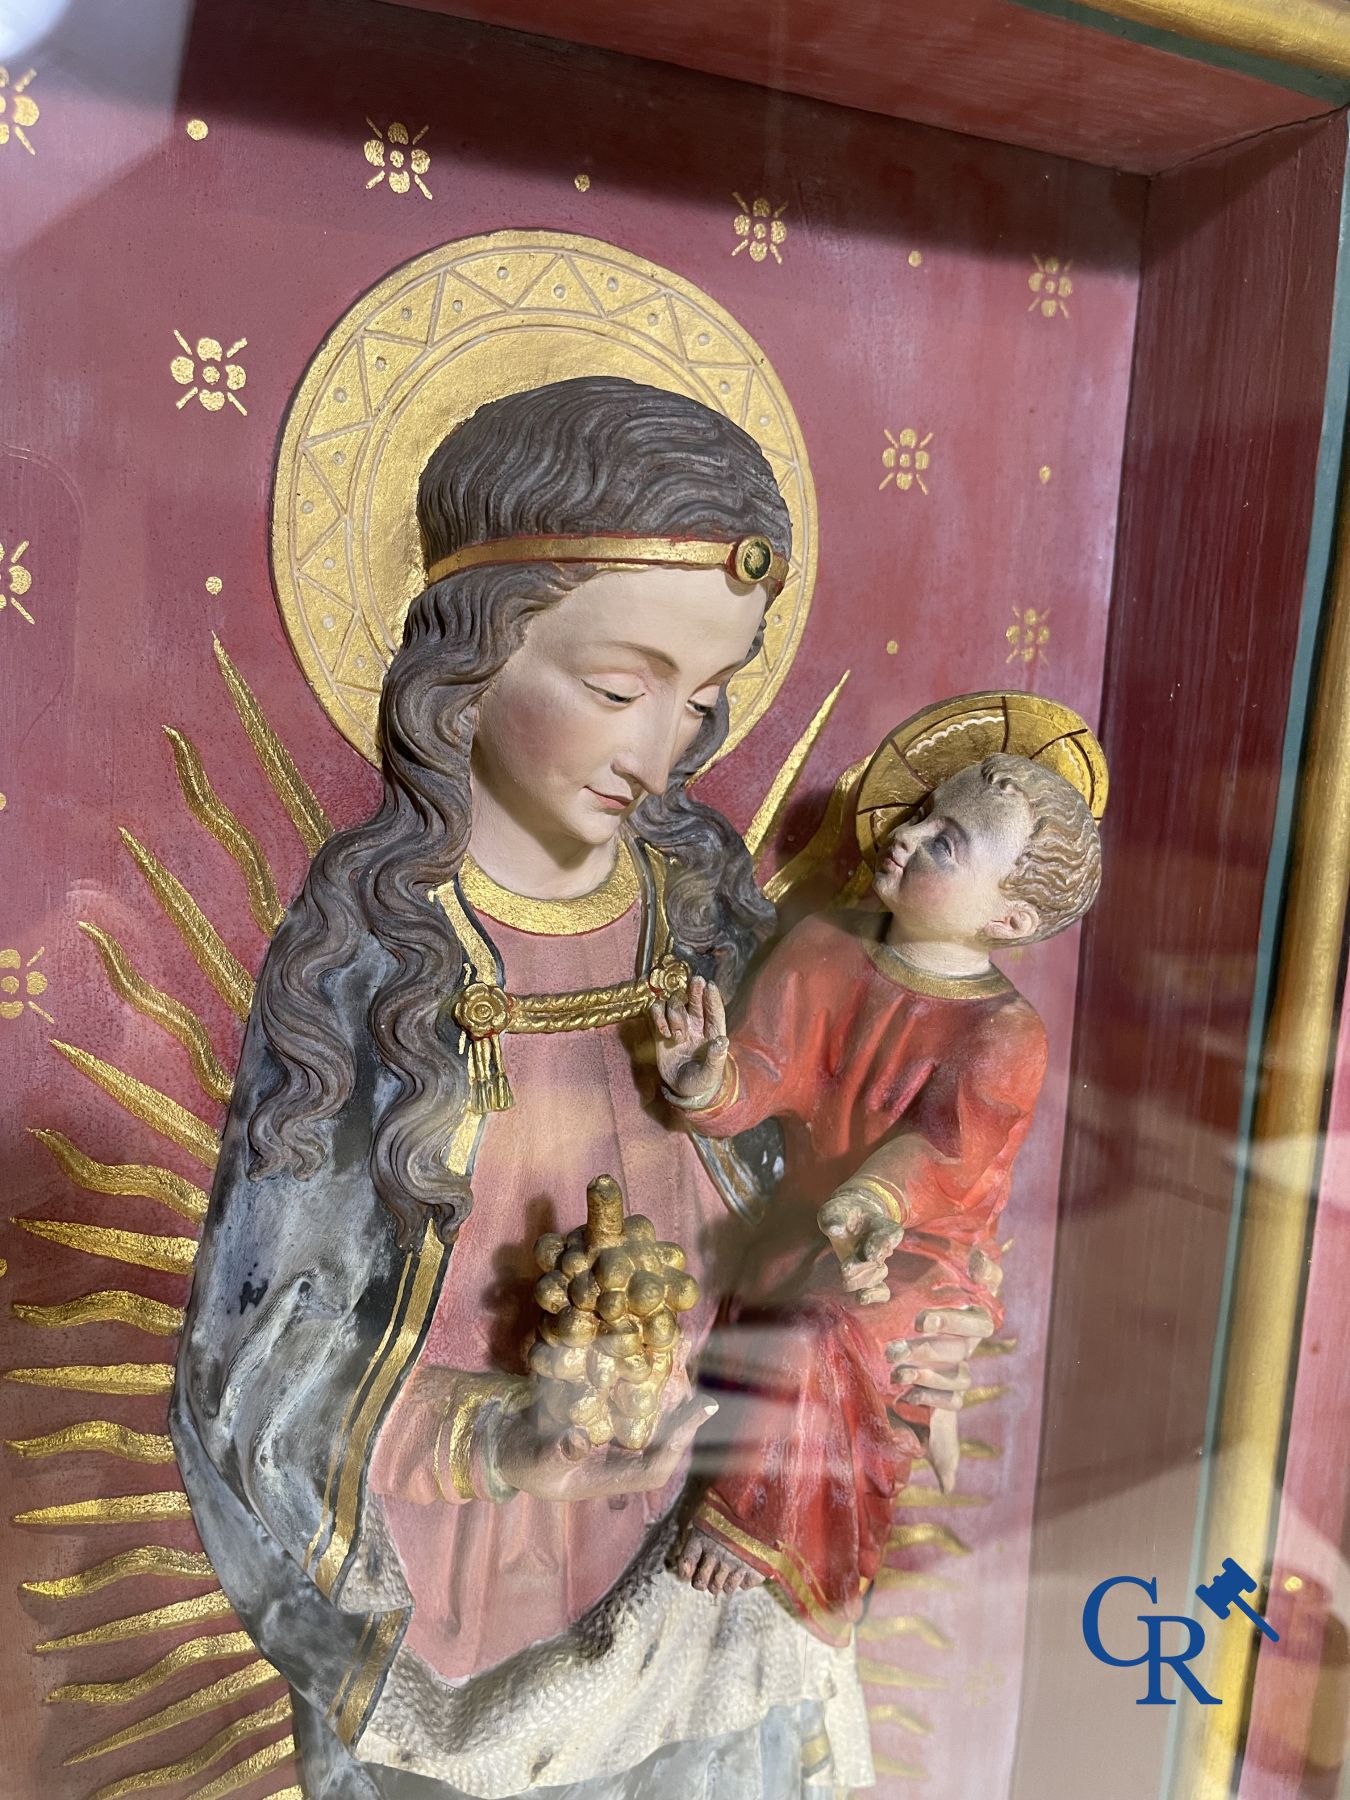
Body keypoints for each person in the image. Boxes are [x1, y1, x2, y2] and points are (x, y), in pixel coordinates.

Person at [170, 375, 992, 1800]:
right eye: (617, 689)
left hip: (714, 1562)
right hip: (471, 1627)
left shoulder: (708, 916)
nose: (662, 749)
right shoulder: (373, 961)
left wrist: (909, 1328)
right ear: (465, 662)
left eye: (705, 700)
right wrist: (502, 1437)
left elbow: (845, 1182)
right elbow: (261, 1367)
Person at [653, 749, 1102, 1643]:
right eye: (923, 813)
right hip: (812, 1229)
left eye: (947, 842)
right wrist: (707, 1080)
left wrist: (872, 1208)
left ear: (1008, 915)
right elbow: (767, 1074)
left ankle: (763, 1538)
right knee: (752, 1309)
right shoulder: (823, 949)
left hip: (919, 1254)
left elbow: (945, 1157)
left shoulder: (1004, 1032)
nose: (907, 835)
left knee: (826, 1333)